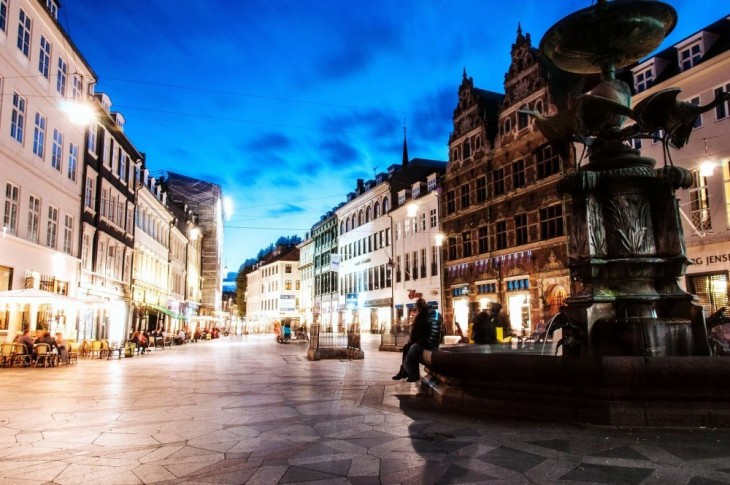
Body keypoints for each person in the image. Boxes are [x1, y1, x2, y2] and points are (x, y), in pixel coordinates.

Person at [393, 298, 441, 383]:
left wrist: (411, 342)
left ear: (418, 307)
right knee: (409, 348)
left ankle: (411, 374)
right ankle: (403, 373)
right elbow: (442, 329)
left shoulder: (420, 316)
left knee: (407, 349)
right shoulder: (437, 314)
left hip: (425, 344)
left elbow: (414, 334)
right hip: (435, 343)